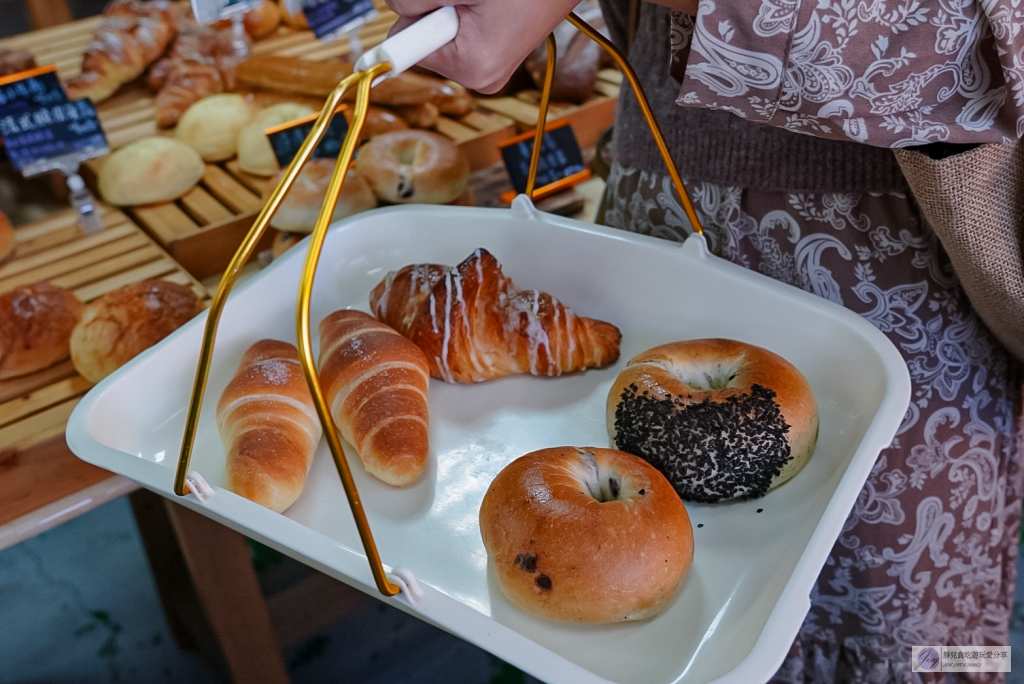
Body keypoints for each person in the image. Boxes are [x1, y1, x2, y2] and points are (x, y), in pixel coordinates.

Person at [386, 0, 1024, 681]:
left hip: (889, 281)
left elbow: (983, 32)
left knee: (907, 631)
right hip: (653, 218)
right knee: (653, 630)